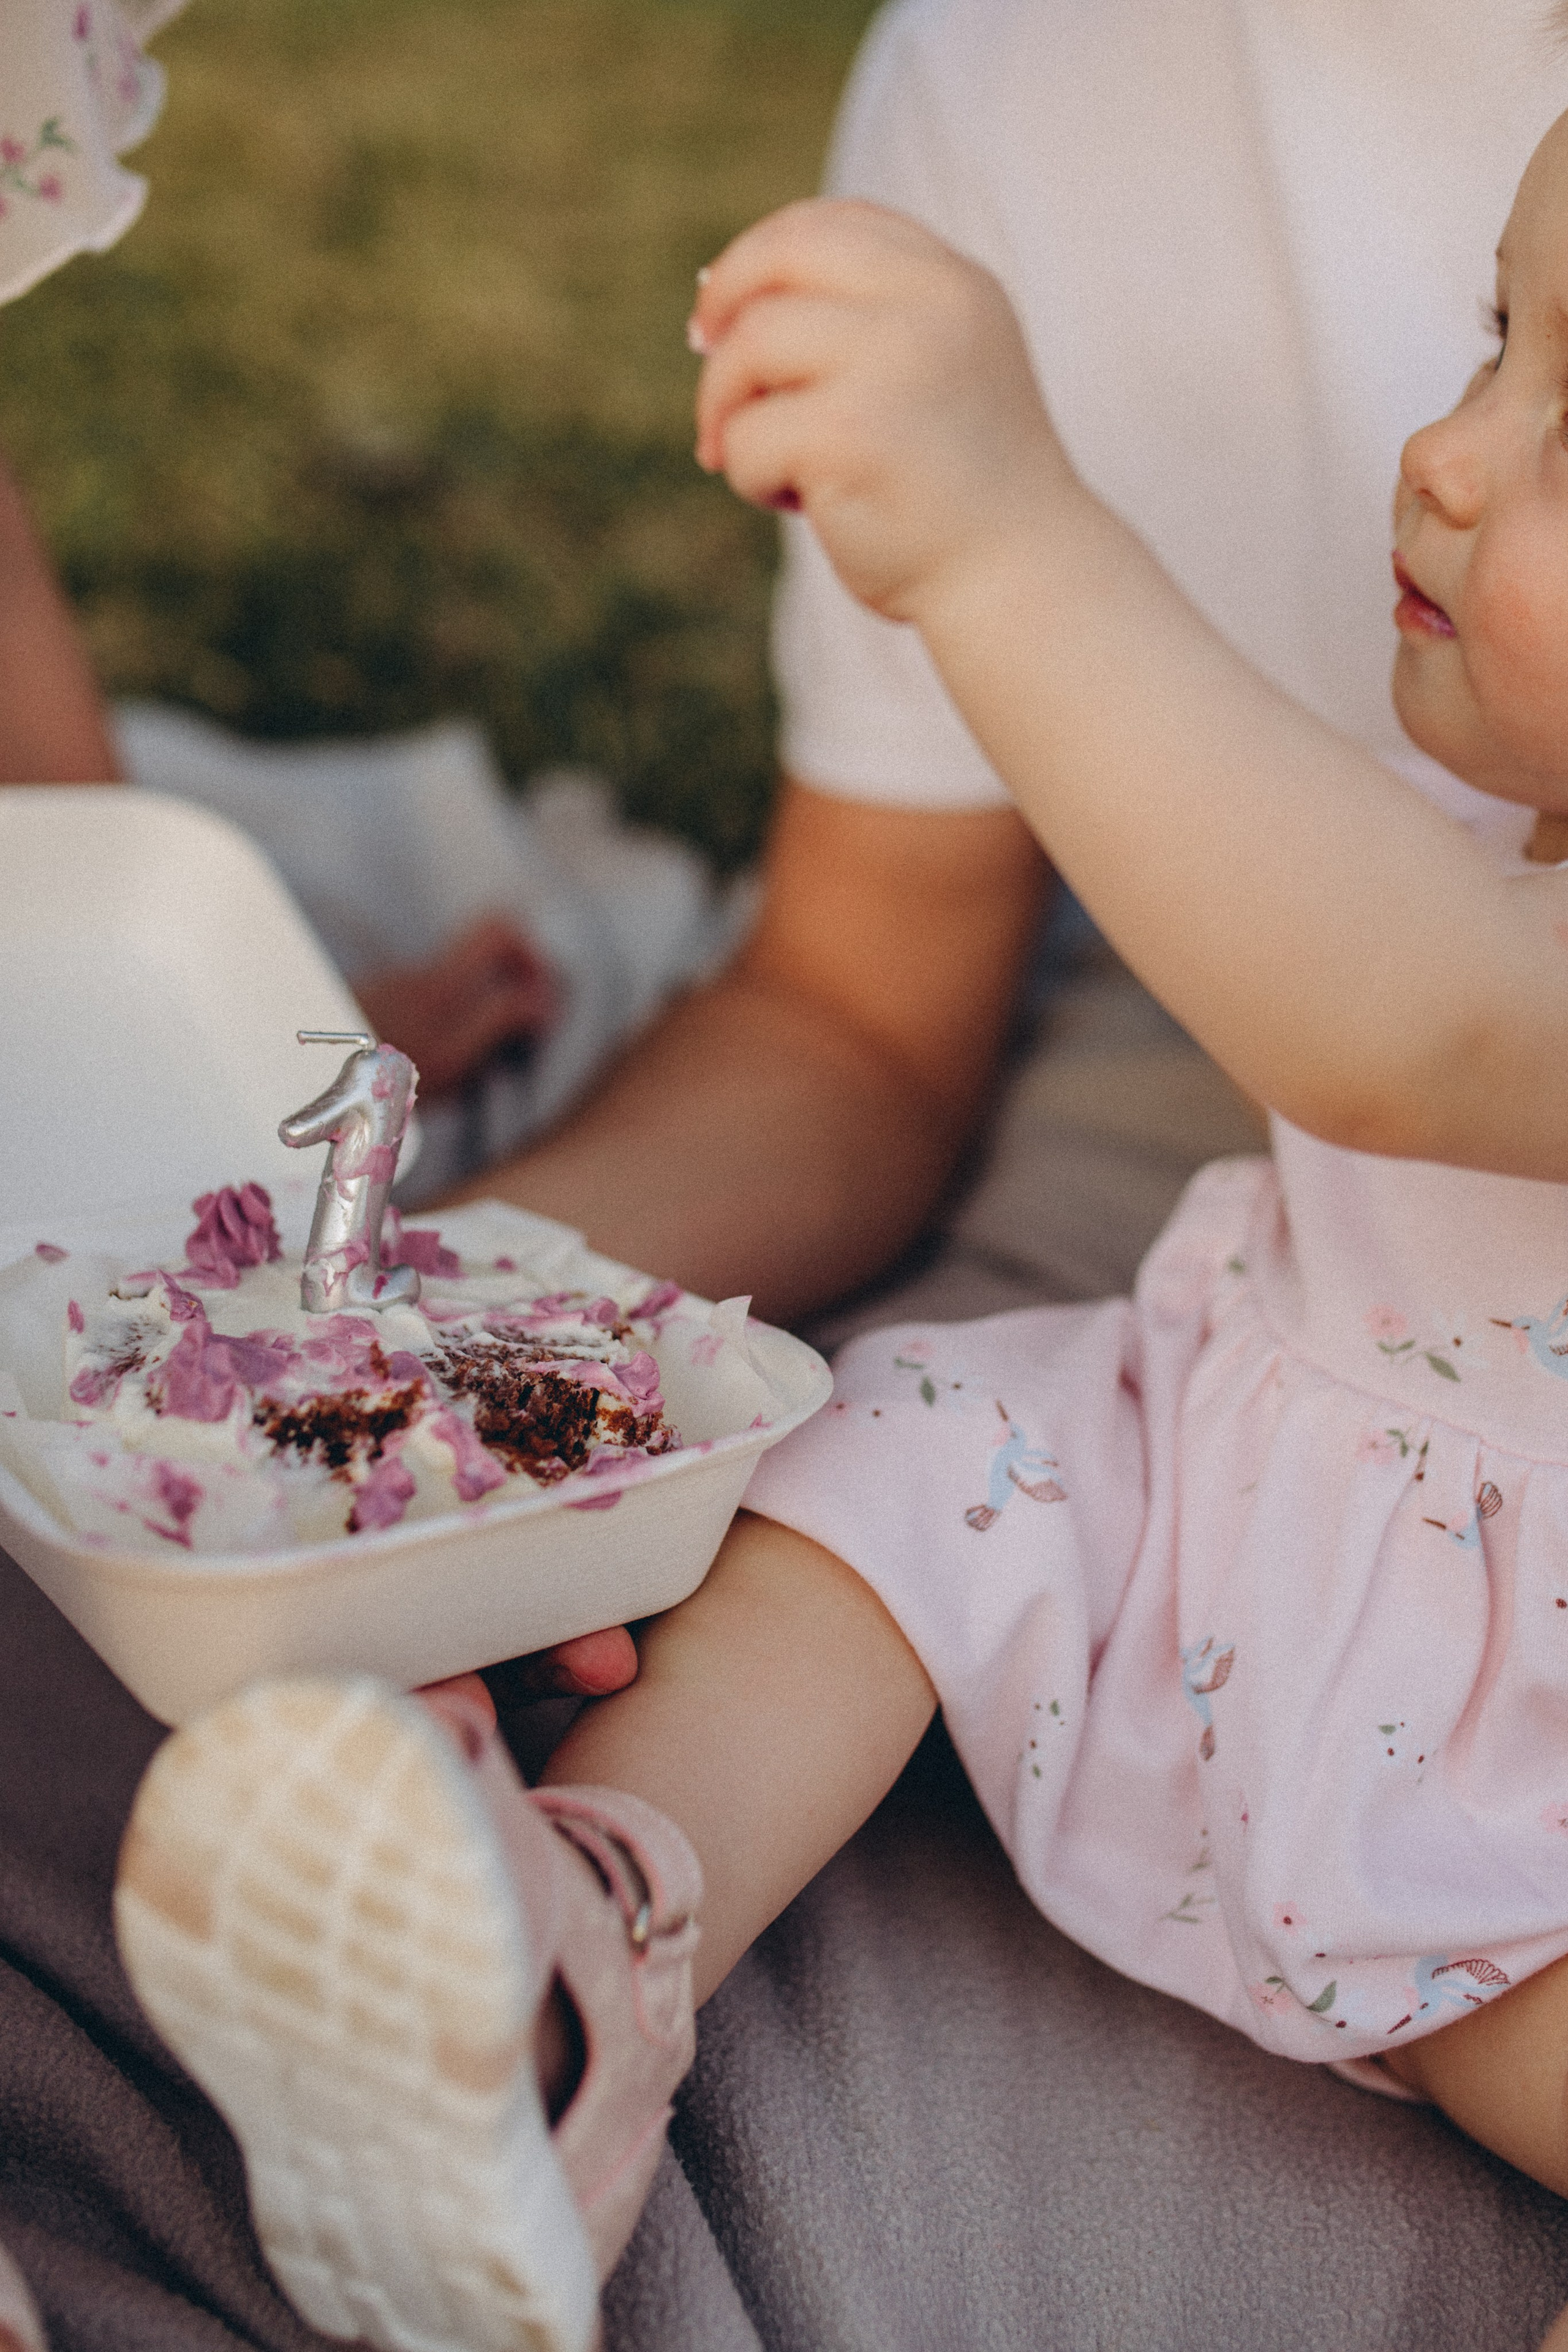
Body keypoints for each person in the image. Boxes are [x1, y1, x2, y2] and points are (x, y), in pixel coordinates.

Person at [114, 74, 1568, 2352]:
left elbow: (1394, 1016)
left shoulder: (1461, 949)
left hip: (1539, 1811)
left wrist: (1004, 542)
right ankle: (553, 1980)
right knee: (870, 1468)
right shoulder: (1467, 807)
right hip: (1223, 1512)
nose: (1448, 451)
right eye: (1502, 336)